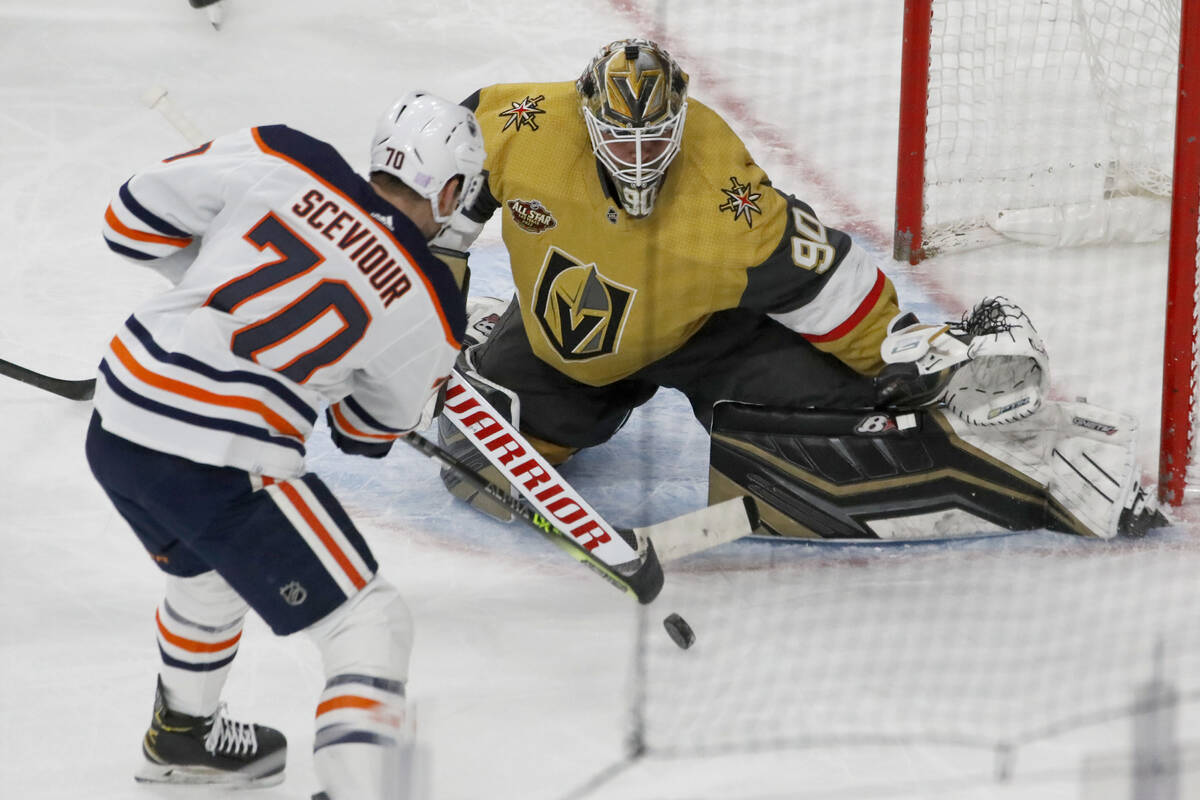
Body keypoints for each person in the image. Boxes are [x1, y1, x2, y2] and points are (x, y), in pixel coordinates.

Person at [432, 38, 1164, 540]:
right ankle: (504, 337)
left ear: (678, 123)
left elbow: (827, 278)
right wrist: (428, 289)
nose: (639, 157)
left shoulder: (724, 195)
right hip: (572, 340)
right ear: (585, 118)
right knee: (475, 469)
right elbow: (456, 158)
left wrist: (901, 358)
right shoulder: (522, 124)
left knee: (840, 435)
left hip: (708, 333)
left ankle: (1029, 464)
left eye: (654, 140)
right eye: (621, 141)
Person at [86, 91, 485, 798]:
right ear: (451, 191)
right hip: (221, 456)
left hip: (121, 416)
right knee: (370, 621)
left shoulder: (286, 153)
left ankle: (183, 735)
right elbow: (366, 435)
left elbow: (129, 221)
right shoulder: (431, 298)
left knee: (207, 576)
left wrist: (226, 286)